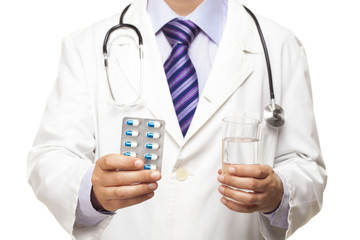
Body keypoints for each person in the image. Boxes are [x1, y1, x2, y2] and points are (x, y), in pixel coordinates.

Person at [27, 0, 327, 239]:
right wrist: (92, 191)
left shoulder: (279, 46)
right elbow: (50, 159)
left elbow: (307, 167)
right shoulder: (86, 45)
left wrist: (278, 192)